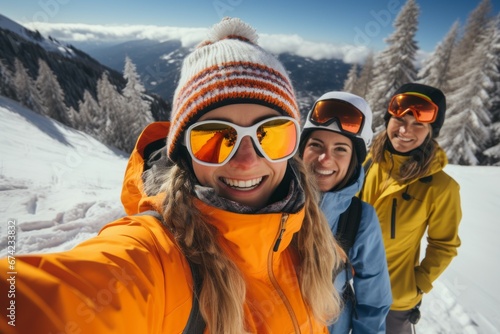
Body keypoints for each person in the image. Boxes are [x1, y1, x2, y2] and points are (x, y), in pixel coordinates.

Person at [0, 17, 344, 333]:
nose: (246, 160)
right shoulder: (156, 258)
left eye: (272, 133)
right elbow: (44, 303)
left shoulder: (309, 239)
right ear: (184, 155)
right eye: (214, 138)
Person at [359, 83, 462, 334]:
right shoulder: (367, 162)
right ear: (388, 120)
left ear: (431, 131)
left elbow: (444, 245)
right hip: (345, 287)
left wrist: (416, 285)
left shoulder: (440, 187)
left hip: (393, 299)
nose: (405, 130)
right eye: (399, 120)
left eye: (418, 124)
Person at [299, 91, 392, 334]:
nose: (324, 159)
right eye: (316, 145)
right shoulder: (272, 201)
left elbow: (373, 301)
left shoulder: (359, 219)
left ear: (353, 160)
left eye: (340, 149)